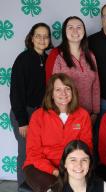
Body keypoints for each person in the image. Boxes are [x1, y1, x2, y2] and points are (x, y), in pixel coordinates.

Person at [23, 73, 93, 192]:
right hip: (39, 166)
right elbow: (33, 154)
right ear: (51, 94)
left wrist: (72, 168)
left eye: (67, 89)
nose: (63, 93)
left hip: (72, 165)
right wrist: (55, 171)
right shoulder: (38, 116)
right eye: (58, 89)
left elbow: (86, 148)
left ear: (73, 92)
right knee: (57, 188)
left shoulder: (83, 115)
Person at [9, 22, 52, 188]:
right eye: (38, 36)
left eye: (45, 36)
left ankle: (37, 186)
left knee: (40, 152)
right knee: (25, 152)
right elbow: (16, 93)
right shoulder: (23, 59)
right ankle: (23, 186)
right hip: (25, 113)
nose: (42, 39)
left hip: (42, 114)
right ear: (31, 38)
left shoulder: (48, 60)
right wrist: (23, 121)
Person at [46, 16, 100, 125]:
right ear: (64, 31)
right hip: (64, 116)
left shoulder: (90, 55)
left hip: (87, 115)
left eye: (79, 27)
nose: (75, 31)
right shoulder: (56, 54)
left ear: (84, 31)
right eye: (70, 27)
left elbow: (96, 85)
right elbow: (50, 87)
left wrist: (95, 112)